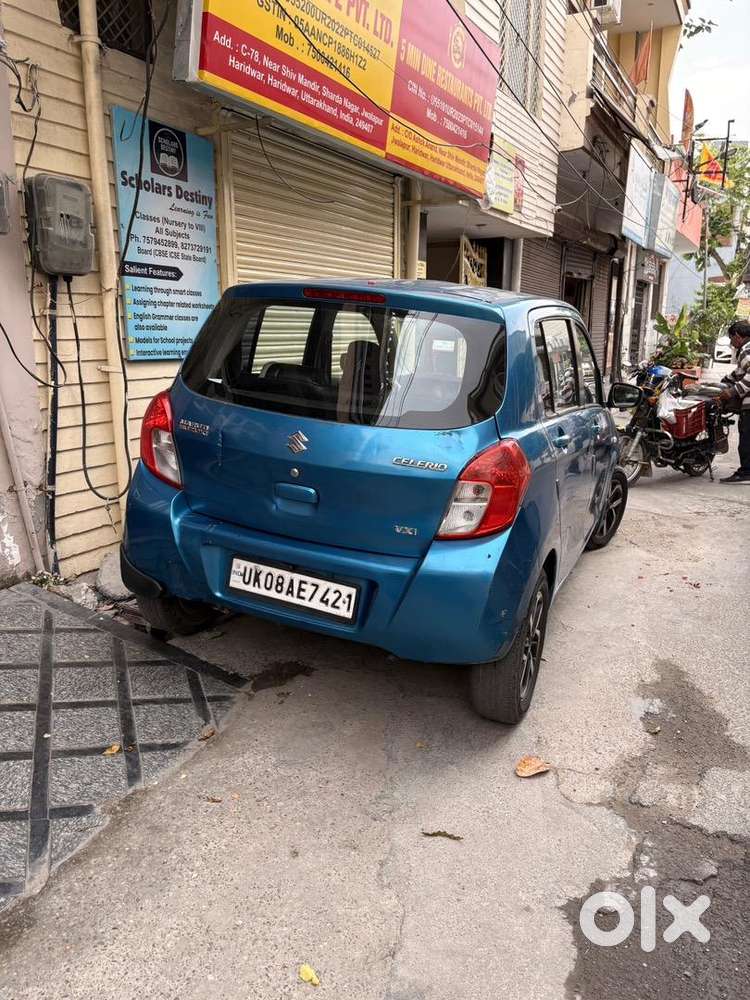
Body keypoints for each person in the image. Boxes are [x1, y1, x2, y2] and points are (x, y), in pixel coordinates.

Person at [718, 319, 750, 484]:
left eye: (731, 338)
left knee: (746, 438)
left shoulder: (746, 350)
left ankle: (746, 471)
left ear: (738, 336)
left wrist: (732, 391)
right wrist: (725, 380)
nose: (731, 343)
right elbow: (739, 372)